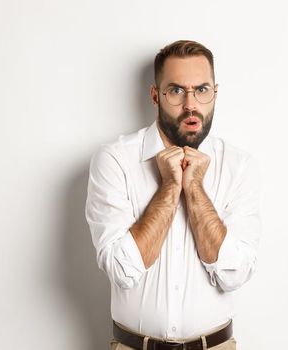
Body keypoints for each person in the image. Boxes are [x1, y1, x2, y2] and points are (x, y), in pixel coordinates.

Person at [85, 40, 262, 350]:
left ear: (215, 94)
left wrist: (193, 188)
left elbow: (235, 274)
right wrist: (169, 188)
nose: (191, 104)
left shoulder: (238, 165)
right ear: (156, 95)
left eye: (202, 90)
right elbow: (121, 270)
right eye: (176, 91)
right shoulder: (115, 161)